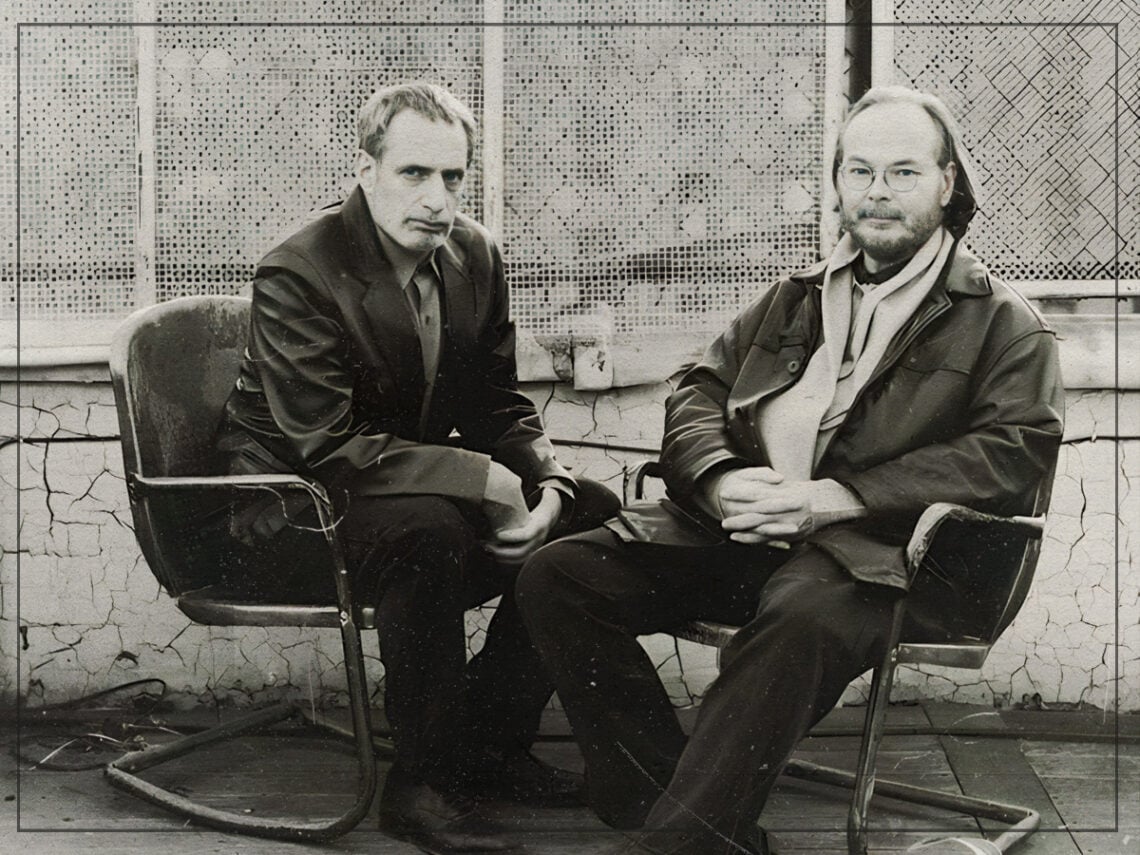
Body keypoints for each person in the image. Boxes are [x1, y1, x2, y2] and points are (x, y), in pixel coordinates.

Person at [516, 85, 1065, 855]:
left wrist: (838, 498)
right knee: (559, 576)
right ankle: (678, 814)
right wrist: (718, 479)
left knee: (802, 612)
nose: (878, 191)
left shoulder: (1004, 323)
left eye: (903, 172)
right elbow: (698, 390)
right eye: (859, 170)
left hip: (889, 560)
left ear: (948, 184)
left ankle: (681, 836)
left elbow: (1012, 452)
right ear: (837, 182)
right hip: (754, 536)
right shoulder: (796, 297)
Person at [214, 82, 619, 853]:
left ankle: (490, 746)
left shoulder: (475, 255)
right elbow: (326, 445)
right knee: (429, 530)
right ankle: (422, 785)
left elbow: (498, 400)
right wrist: (488, 482)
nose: (437, 200)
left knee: (591, 512)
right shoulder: (299, 269)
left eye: (453, 177)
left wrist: (548, 484)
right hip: (287, 512)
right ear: (365, 170)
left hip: (394, 494)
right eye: (414, 173)